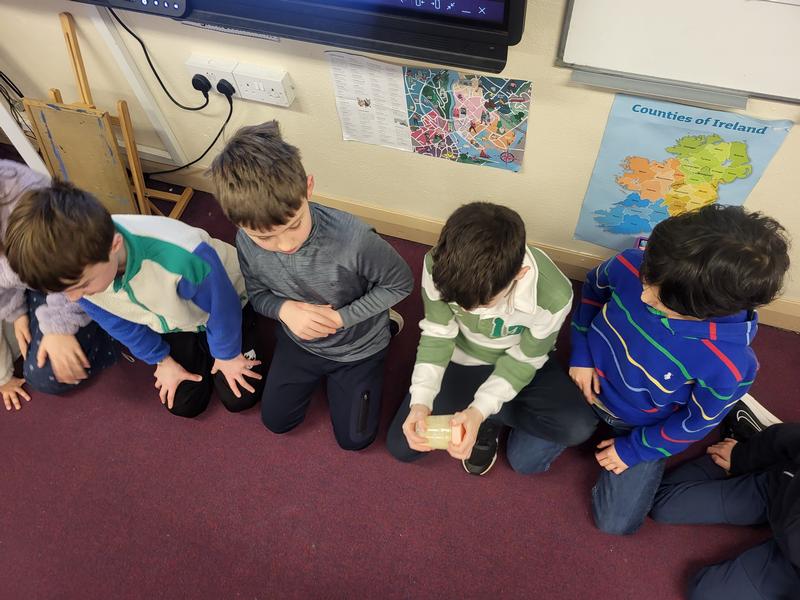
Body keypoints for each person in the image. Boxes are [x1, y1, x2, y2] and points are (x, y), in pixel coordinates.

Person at [569, 204, 790, 535]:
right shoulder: (632, 265)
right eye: (646, 278)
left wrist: (634, 449)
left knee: (615, 524)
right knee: (525, 457)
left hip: (643, 426)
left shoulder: (731, 365)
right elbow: (592, 289)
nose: (644, 296)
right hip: (588, 384)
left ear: (705, 312)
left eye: (661, 302)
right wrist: (581, 353)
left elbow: (695, 423)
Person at [209, 121, 413, 450]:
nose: (285, 244)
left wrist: (342, 318)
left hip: (358, 347)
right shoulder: (245, 240)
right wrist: (284, 310)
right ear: (239, 224)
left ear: (308, 187)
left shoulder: (355, 240)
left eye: (294, 225)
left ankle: (386, 324)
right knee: (276, 422)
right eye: (264, 237)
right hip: (299, 342)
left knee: (355, 440)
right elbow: (258, 294)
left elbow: (400, 283)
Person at [4, 180, 264, 418]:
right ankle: (202, 348)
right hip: (173, 321)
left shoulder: (182, 256)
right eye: (63, 291)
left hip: (226, 304)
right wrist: (161, 360)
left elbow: (222, 306)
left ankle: (230, 338)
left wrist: (226, 355)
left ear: (114, 246)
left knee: (240, 397)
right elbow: (118, 323)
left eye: (82, 285)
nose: (73, 298)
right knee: (184, 404)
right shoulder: (77, 280)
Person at [386, 202, 596, 475]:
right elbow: (438, 334)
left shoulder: (555, 295)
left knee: (578, 426)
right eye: (459, 302)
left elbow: (526, 358)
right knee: (402, 445)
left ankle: (486, 416)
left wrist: (479, 410)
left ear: (519, 274)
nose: (469, 312)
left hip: (519, 359)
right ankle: (488, 411)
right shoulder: (438, 265)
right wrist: (421, 402)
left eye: (483, 303)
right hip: (461, 357)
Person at [651, 401, 800, 600]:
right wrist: (740, 457)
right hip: (777, 490)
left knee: (705, 593)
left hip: (791, 567)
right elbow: (788, 438)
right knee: (661, 504)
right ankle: (747, 439)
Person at [0, 160, 117, 411]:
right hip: (30, 283)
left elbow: (71, 262)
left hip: (64, 275)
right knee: (41, 374)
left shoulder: (21, 190)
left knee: (98, 286)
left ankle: (110, 327)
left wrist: (59, 324)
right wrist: (16, 312)